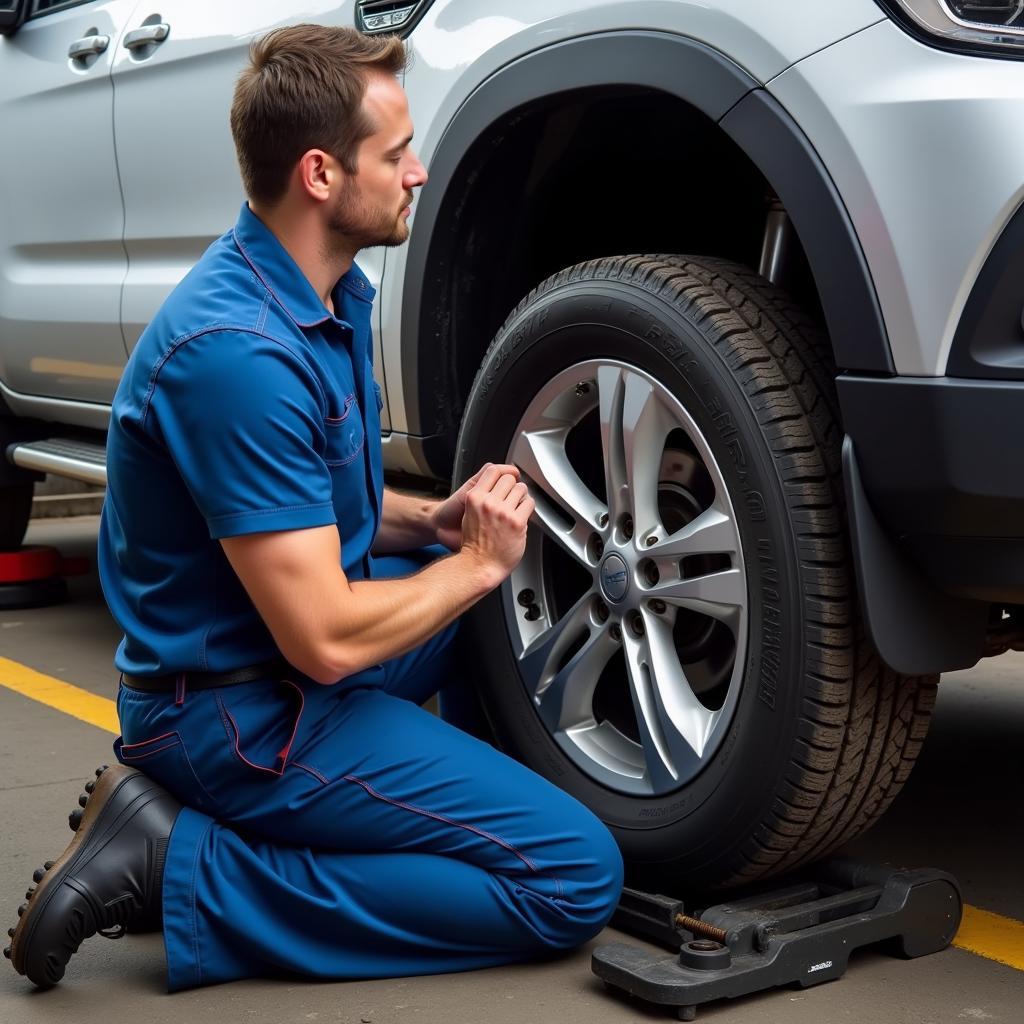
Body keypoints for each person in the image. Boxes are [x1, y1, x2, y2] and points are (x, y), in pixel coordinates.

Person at [5, 24, 623, 991]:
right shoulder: (236, 355)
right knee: (573, 878)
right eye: (396, 152)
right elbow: (325, 641)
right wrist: (474, 566)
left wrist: (436, 523)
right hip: (240, 717)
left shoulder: (318, 294)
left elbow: (318, 512)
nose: (419, 171)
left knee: (469, 591)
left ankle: (442, 813)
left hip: (269, 667)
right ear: (320, 176)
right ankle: (188, 868)